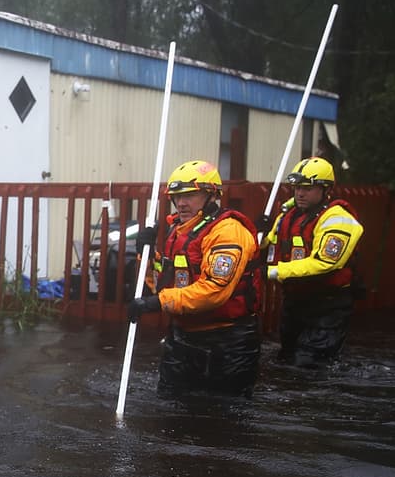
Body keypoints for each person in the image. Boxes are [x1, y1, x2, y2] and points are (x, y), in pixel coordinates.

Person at [128, 160, 263, 397]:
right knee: (169, 406)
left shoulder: (228, 231)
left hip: (227, 342)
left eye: (190, 195)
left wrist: (158, 302)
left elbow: (214, 291)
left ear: (211, 195)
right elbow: (164, 280)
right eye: (177, 196)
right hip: (183, 336)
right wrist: (145, 255)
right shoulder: (179, 231)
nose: (181, 202)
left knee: (221, 416)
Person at [258, 156, 364, 368]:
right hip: (296, 301)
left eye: (307, 188)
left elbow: (324, 263)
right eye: (297, 187)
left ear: (325, 189)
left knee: (309, 363)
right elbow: (267, 245)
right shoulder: (288, 216)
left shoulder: (338, 219)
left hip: (328, 304)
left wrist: (273, 272)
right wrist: (259, 232)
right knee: (286, 358)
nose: (300, 193)